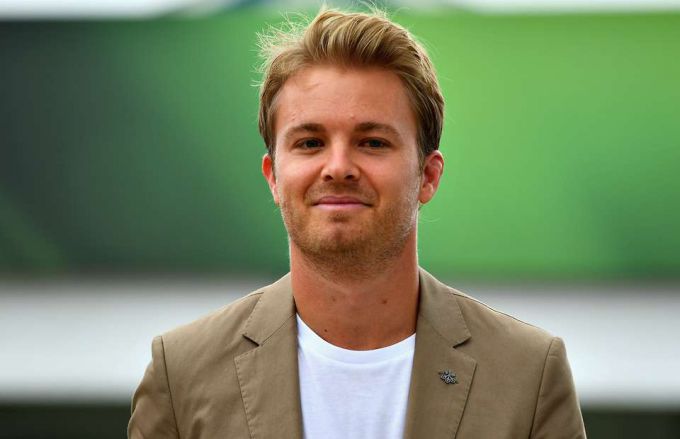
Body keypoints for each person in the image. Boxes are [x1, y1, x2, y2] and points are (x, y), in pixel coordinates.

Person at [128, 7, 586, 439]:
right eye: (310, 142)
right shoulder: (182, 373)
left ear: (428, 176)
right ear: (273, 177)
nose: (338, 167)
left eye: (372, 142)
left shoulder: (528, 374)